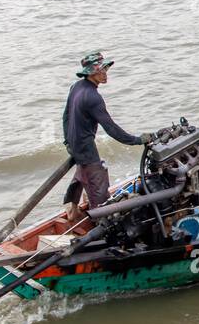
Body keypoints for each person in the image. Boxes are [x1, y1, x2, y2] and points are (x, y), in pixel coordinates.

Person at [61, 51, 153, 219]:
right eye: (99, 71)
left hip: (75, 145)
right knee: (100, 192)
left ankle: (73, 212)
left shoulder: (76, 87)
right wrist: (138, 140)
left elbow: (66, 117)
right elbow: (111, 129)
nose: (104, 73)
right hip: (86, 148)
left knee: (82, 174)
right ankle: (98, 223)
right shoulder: (93, 97)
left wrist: (68, 141)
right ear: (91, 73)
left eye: (105, 69)